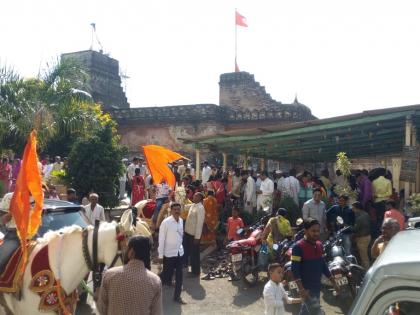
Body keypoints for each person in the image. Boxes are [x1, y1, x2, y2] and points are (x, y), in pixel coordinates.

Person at [96, 236, 162, 315]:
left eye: (126, 248)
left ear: (131, 253)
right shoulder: (155, 281)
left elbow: (101, 309)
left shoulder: (109, 275)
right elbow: (156, 312)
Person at [291, 218, 339, 315]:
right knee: (314, 311)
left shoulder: (319, 245)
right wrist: (301, 289)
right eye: (313, 231)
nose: (316, 233)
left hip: (317, 286)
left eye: (318, 231)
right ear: (305, 231)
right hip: (307, 288)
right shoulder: (298, 247)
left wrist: (333, 281)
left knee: (307, 311)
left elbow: (322, 264)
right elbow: (294, 269)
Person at [158, 203, 185, 304]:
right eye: (175, 210)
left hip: (179, 253)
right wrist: (160, 255)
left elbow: (181, 236)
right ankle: (152, 288)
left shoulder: (181, 221)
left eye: (178, 209)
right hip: (168, 254)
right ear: (171, 211)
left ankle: (177, 297)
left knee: (179, 276)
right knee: (166, 276)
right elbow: (161, 239)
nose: (177, 211)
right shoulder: (166, 223)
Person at [183, 192, 205, 276]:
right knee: (189, 251)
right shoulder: (193, 205)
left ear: (200, 198)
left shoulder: (200, 208)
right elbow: (184, 207)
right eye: (194, 195)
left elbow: (200, 223)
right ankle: (189, 266)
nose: (194, 196)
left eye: (196, 196)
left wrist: (197, 237)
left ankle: (195, 272)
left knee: (194, 254)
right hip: (188, 232)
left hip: (194, 235)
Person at [351, 201, 371, 269]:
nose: (352, 210)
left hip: (362, 238)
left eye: (353, 208)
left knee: (364, 257)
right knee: (364, 256)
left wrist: (346, 226)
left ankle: (367, 272)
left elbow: (355, 229)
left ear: (357, 208)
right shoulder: (366, 214)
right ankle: (363, 270)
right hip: (367, 236)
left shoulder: (360, 218)